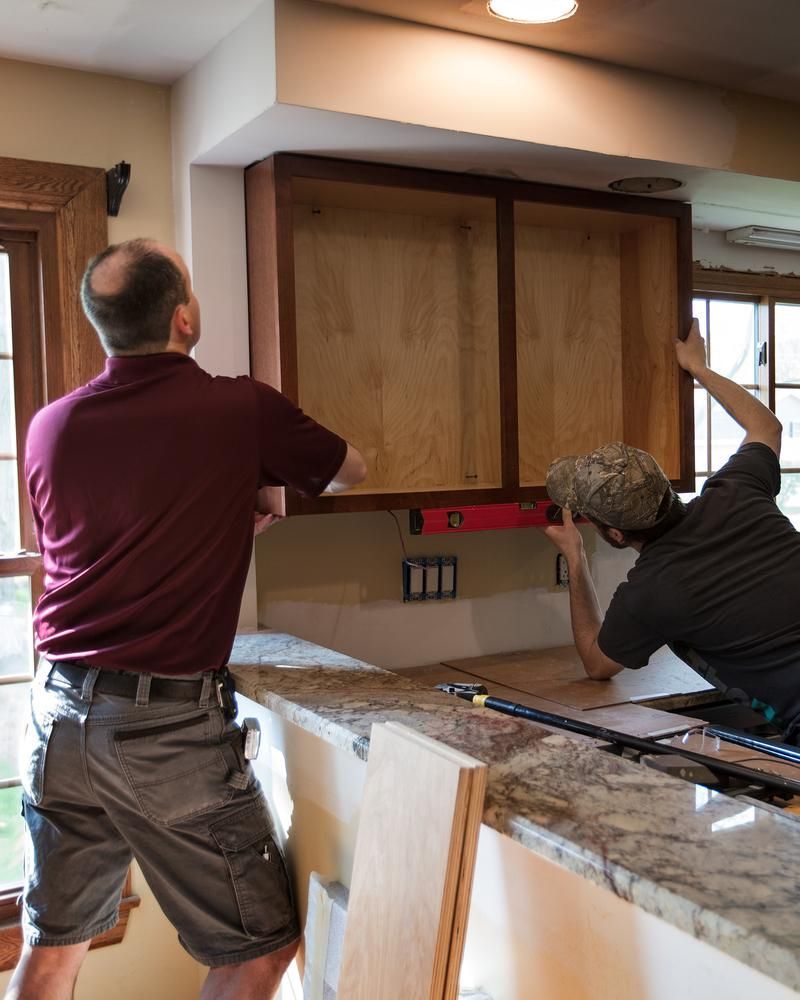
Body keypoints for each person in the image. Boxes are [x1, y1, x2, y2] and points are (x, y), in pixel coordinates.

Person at [8, 238, 366, 1000]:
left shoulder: (50, 427)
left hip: (57, 714)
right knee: (259, 949)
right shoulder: (237, 406)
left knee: (53, 947)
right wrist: (255, 479)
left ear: (104, 327)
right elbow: (348, 471)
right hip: (160, 728)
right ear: (183, 315)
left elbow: (95, 551)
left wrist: (225, 510)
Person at [543, 318, 800, 744]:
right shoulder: (734, 491)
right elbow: (767, 428)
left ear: (617, 535)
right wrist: (698, 368)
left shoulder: (652, 592)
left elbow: (597, 662)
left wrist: (576, 557)